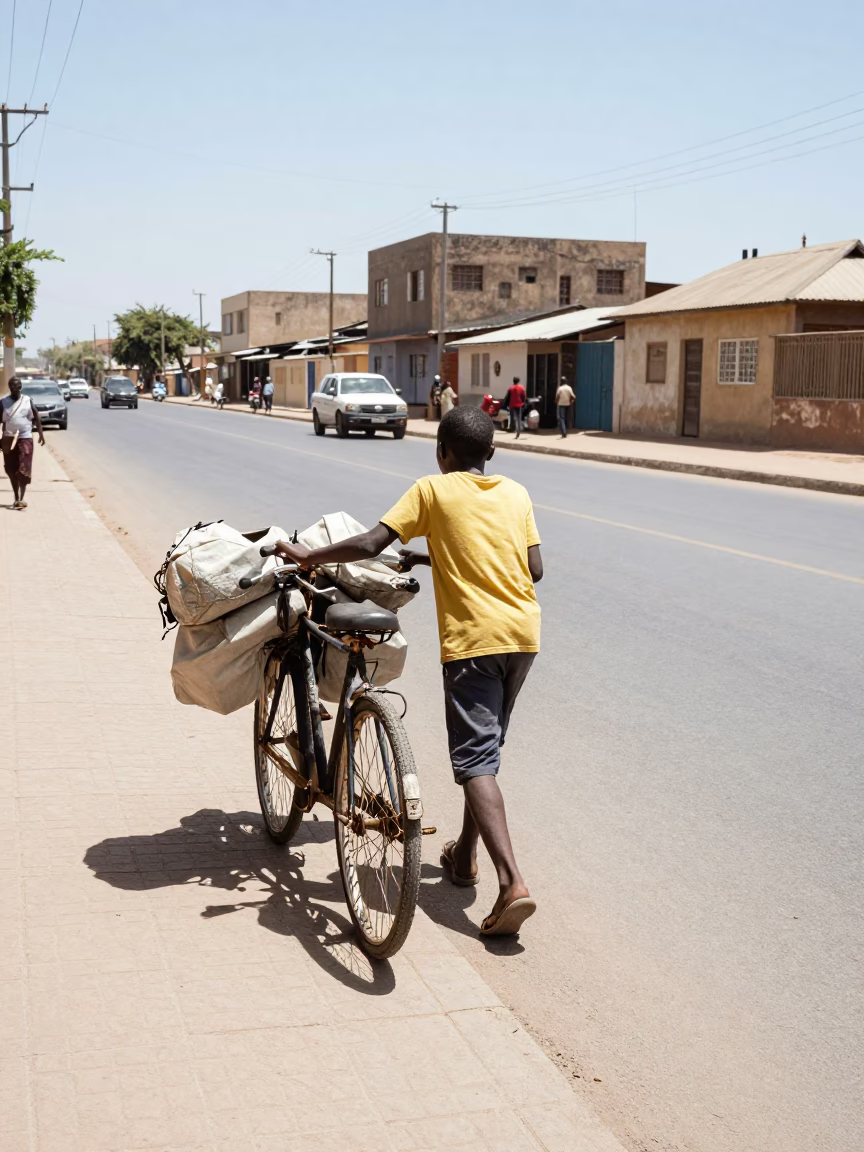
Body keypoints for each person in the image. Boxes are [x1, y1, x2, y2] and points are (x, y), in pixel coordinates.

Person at [274, 406, 543, 937]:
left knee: (474, 761)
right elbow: (534, 568)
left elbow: (372, 543)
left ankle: (512, 883)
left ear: (441, 452)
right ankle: (463, 858)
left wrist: (309, 557)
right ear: (490, 452)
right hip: (523, 636)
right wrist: (434, 556)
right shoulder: (515, 493)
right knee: (486, 752)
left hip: (473, 641)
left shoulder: (431, 490)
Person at [1, 376, 45, 510]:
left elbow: (36, 417)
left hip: (25, 437)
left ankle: (22, 498)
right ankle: (16, 497)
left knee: (24, 467)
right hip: (9, 438)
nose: (17, 388)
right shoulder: (3, 402)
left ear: (21, 387)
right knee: (10, 468)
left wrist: (41, 434)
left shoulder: (27, 400)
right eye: (14, 385)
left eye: (19, 385)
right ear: (9, 387)